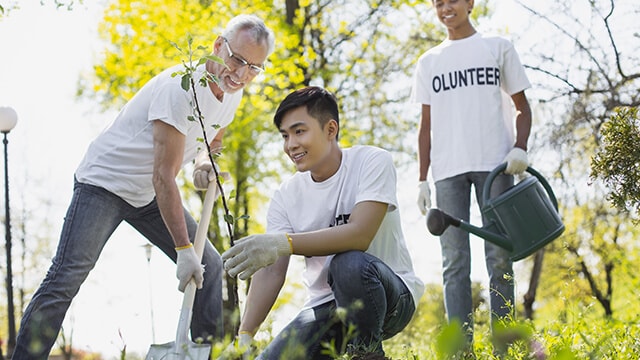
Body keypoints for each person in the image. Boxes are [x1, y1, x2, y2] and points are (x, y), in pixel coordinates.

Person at [12, 14, 275, 360]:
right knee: (66, 278)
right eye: (237, 59)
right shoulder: (177, 90)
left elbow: (212, 140)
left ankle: (204, 355)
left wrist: (201, 164)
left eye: (253, 68)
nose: (241, 74)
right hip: (104, 183)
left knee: (208, 268)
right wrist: (183, 250)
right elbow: (163, 176)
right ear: (217, 46)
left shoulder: (231, 94)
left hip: (147, 195)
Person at [220, 86, 424, 359]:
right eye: (285, 135)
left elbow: (359, 235)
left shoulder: (372, 162)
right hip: (325, 307)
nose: (290, 144)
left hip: (389, 297)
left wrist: (284, 243)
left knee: (348, 263)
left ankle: (367, 354)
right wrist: (244, 335)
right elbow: (271, 272)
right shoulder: (286, 195)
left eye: (299, 131)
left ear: (330, 129)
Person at [411, 0, 532, 355]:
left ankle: (504, 347)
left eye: (452, 1)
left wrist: (520, 148)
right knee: (454, 263)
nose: (446, 8)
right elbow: (425, 127)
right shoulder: (429, 61)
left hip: (495, 165)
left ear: (470, 4)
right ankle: (460, 351)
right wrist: (422, 179)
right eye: (438, 3)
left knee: (499, 256)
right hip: (447, 172)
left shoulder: (498, 47)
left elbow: (522, 106)